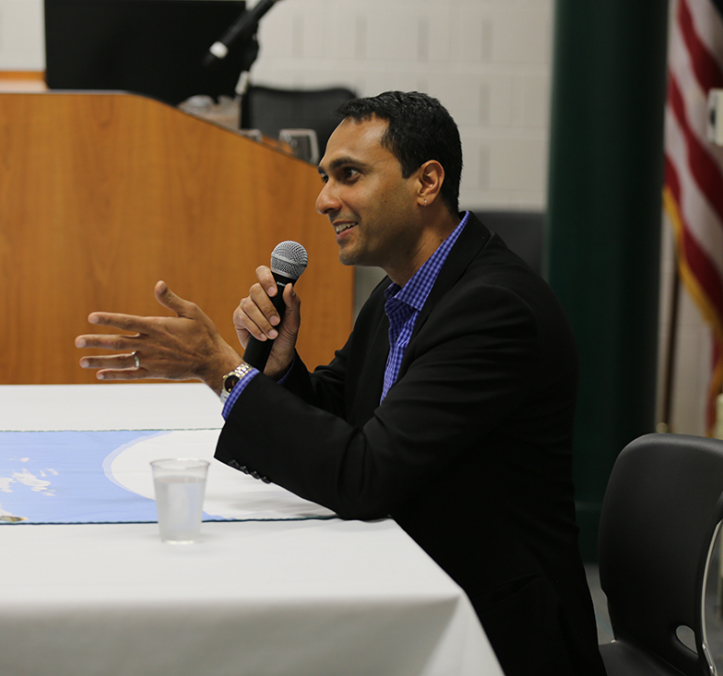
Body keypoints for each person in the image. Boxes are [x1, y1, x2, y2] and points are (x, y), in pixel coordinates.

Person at [76, 91, 606, 676]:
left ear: (427, 182)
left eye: (348, 176)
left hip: (493, 629)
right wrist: (277, 370)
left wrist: (221, 369)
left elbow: (365, 474)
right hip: (414, 574)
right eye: (326, 178)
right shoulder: (402, 289)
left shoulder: (494, 310)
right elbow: (350, 412)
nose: (325, 200)